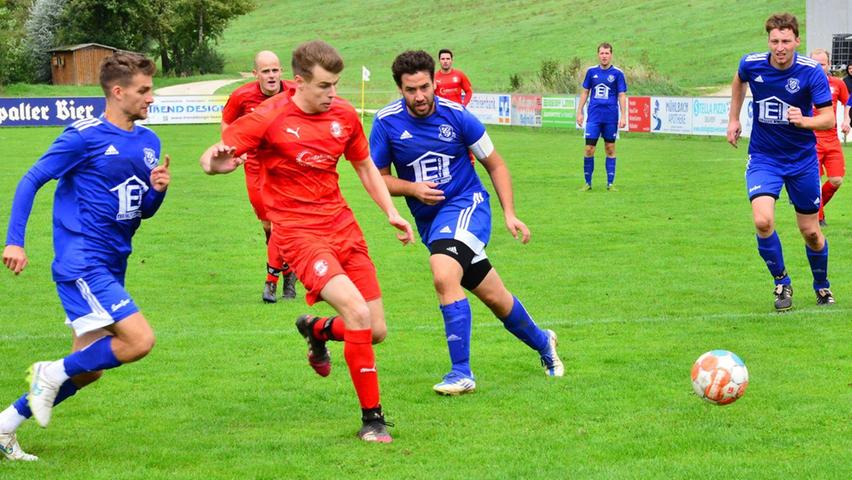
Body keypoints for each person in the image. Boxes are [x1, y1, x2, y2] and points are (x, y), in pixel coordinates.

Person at [199, 40, 414, 443]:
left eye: (336, 85)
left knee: (376, 329)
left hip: (343, 227)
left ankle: (316, 330)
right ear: (298, 82)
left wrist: (391, 212)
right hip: (298, 233)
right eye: (324, 86)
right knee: (357, 314)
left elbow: (365, 165)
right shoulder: (267, 116)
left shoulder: (345, 115)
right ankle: (373, 420)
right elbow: (212, 159)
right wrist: (216, 162)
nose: (333, 94)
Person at [0, 52, 170, 461]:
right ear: (117, 91)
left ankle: (5, 425)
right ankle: (48, 372)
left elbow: (140, 211)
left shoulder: (149, 141)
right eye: (143, 90)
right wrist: (14, 241)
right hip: (83, 261)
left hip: (113, 262)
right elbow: (32, 179)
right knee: (140, 340)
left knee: (89, 367)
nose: (152, 97)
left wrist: (157, 191)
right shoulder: (83, 135)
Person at [369, 50, 564, 396]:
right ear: (400, 89)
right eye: (411, 90)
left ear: (434, 82)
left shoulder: (459, 116)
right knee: (496, 298)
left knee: (443, 272)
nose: (419, 97)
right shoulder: (386, 123)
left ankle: (461, 372)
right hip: (433, 223)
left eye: (425, 87)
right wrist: (411, 188)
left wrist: (509, 213)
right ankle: (544, 342)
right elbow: (377, 178)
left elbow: (496, 165)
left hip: (468, 205)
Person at [727, 13, 835, 311]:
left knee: (811, 232)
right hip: (764, 157)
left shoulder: (811, 71)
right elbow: (739, 81)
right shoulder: (751, 63)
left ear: (796, 41)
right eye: (775, 41)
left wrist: (806, 120)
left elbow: (828, 118)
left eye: (786, 41)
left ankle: (822, 286)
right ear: (769, 41)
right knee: (762, 220)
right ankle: (781, 281)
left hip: (802, 161)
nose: (780, 47)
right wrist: (733, 118)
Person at [222, 50, 299, 303]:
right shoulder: (242, 96)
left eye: (275, 70)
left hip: (285, 166)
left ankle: (272, 282)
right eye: (265, 71)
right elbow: (227, 123)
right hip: (255, 165)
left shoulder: (293, 92)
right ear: (255, 74)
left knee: (280, 222)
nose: (271, 75)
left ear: (281, 71)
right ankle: (288, 269)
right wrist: (235, 150)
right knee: (268, 225)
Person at [576, 42, 627, 191]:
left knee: (610, 148)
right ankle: (587, 183)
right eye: (602, 53)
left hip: (610, 117)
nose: (604, 56)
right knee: (589, 149)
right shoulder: (591, 72)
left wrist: (624, 116)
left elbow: (622, 95)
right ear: (598, 55)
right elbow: (585, 92)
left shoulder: (618, 74)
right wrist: (579, 112)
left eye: (607, 53)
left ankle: (610, 184)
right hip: (594, 117)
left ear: (611, 55)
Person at [809, 49, 850, 227]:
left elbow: (848, 102)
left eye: (823, 64)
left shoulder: (837, 84)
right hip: (811, 139)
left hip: (832, 139)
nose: (819, 67)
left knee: (836, 180)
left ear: (828, 65)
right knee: (814, 182)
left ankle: (809, 208)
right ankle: (818, 217)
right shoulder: (801, 84)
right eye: (815, 64)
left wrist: (847, 120)